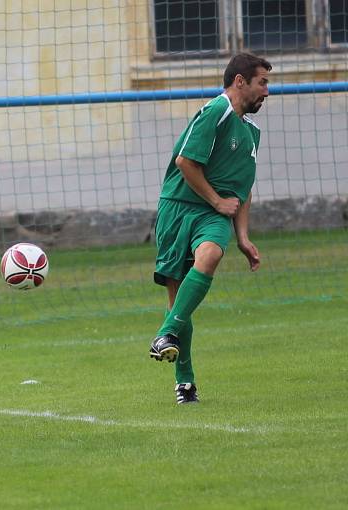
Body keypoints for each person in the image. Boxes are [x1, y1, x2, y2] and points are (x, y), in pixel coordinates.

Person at [149, 53, 271, 404]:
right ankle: (185, 381)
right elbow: (185, 162)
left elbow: (242, 189)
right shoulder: (215, 112)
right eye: (262, 82)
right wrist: (218, 201)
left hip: (211, 216)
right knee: (178, 301)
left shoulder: (252, 132)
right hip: (177, 209)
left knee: (211, 253)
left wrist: (243, 236)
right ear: (239, 81)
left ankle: (165, 333)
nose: (267, 91)